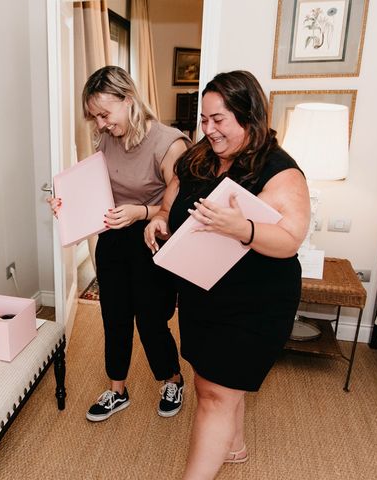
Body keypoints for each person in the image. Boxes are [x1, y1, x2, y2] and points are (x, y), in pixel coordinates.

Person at [144, 70, 310, 479]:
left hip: (255, 301)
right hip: (203, 292)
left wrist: (244, 229)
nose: (209, 129)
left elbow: (289, 239)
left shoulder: (279, 171)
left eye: (219, 120)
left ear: (249, 117)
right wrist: (160, 220)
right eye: (204, 119)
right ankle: (232, 445)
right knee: (209, 380)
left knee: (216, 394)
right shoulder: (200, 157)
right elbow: (171, 204)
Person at [49, 66, 190, 421]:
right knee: (113, 316)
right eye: (94, 117)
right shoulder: (107, 138)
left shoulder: (169, 143)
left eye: (104, 114)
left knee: (151, 319)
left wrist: (141, 212)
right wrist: (66, 204)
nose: (100, 124)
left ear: (128, 100)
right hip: (112, 236)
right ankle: (117, 390)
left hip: (151, 237)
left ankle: (172, 378)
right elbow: (96, 188)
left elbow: (184, 205)